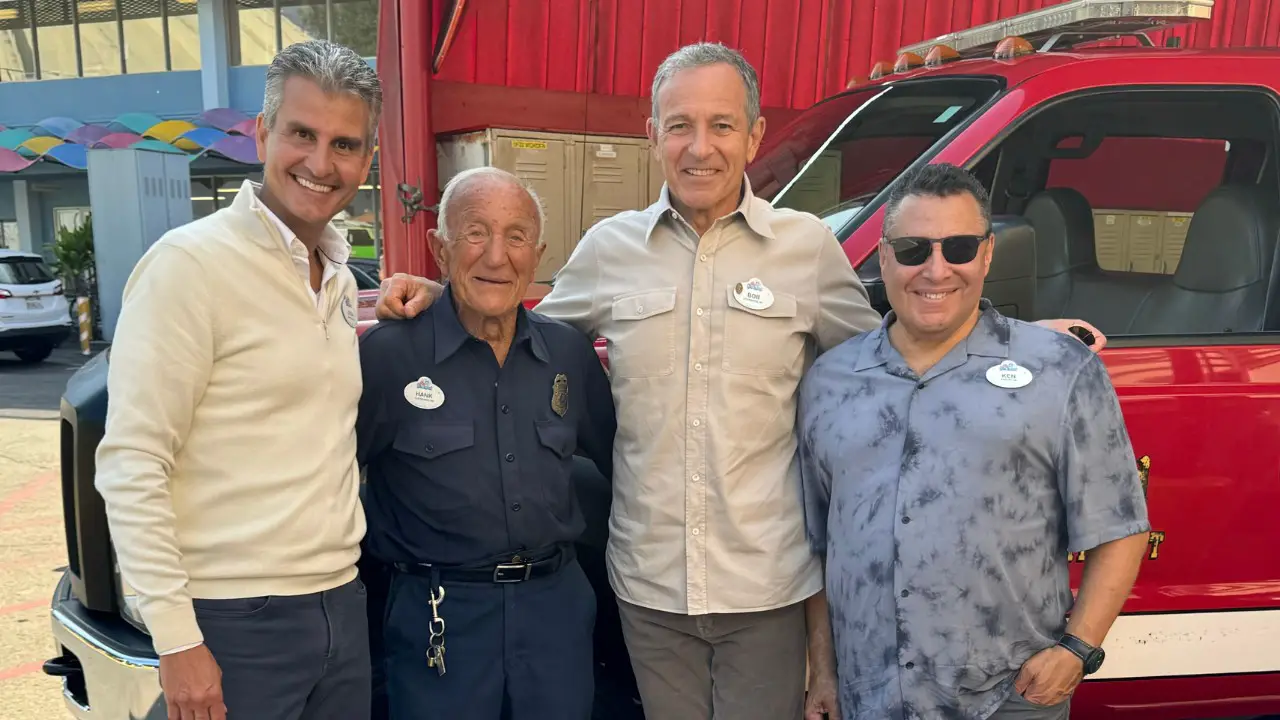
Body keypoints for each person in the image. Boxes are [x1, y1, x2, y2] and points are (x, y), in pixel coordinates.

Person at [374, 43, 1105, 720]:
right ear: (652, 134)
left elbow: (897, 349)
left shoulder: (806, 249)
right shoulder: (610, 249)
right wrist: (442, 293)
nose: (700, 146)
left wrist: (1012, 336)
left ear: (754, 136)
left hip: (767, 588)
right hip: (650, 588)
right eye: (680, 125)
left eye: (722, 124)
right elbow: (516, 326)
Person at [797, 163, 1151, 720]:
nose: (935, 270)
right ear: (884, 257)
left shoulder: (1060, 370)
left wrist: (1078, 650)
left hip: (1008, 698)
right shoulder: (829, 381)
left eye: (958, 247)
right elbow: (818, 544)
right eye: (913, 249)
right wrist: (823, 670)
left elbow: (1122, 527)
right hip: (870, 699)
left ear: (987, 254)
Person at [94, 40, 381, 720]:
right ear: (261, 133)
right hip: (231, 624)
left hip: (341, 606)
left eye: (344, 144)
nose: (320, 163)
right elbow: (132, 461)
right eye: (301, 134)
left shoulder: (338, 277)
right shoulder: (190, 267)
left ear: (368, 160)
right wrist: (176, 639)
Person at [356, 166, 617, 720]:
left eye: (516, 236)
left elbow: (627, 464)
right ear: (440, 248)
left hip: (556, 620)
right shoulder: (386, 358)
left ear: (538, 252)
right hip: (440, 621)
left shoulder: (568, 355)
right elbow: (329, 483)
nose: (497, 256)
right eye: (475, 232)